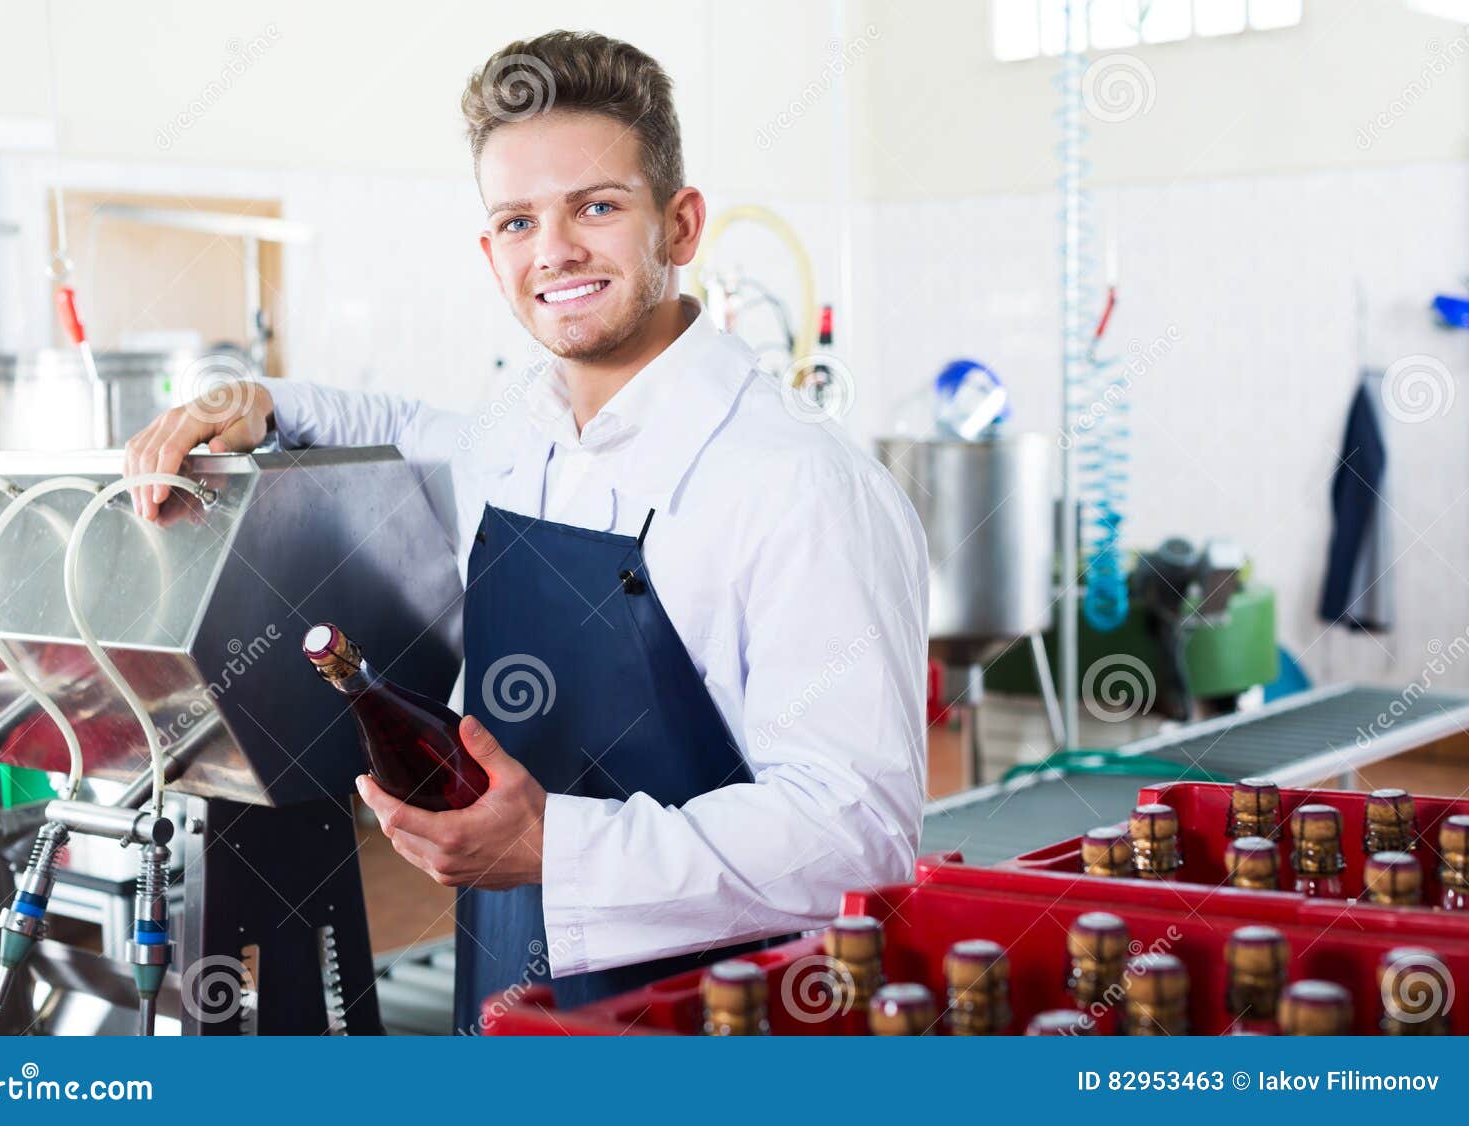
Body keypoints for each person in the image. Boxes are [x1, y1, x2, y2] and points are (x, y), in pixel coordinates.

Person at [124, 29, 930, 1033]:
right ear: (488, 249)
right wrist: (260, 400)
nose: (553, 251)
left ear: (679, 225)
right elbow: (408, 430)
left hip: (729, 1026)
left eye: (596, 206)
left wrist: (560, 846)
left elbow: (856, 837)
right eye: (516, 220)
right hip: (512, 1001)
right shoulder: (518, 433)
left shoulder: (798, 484)